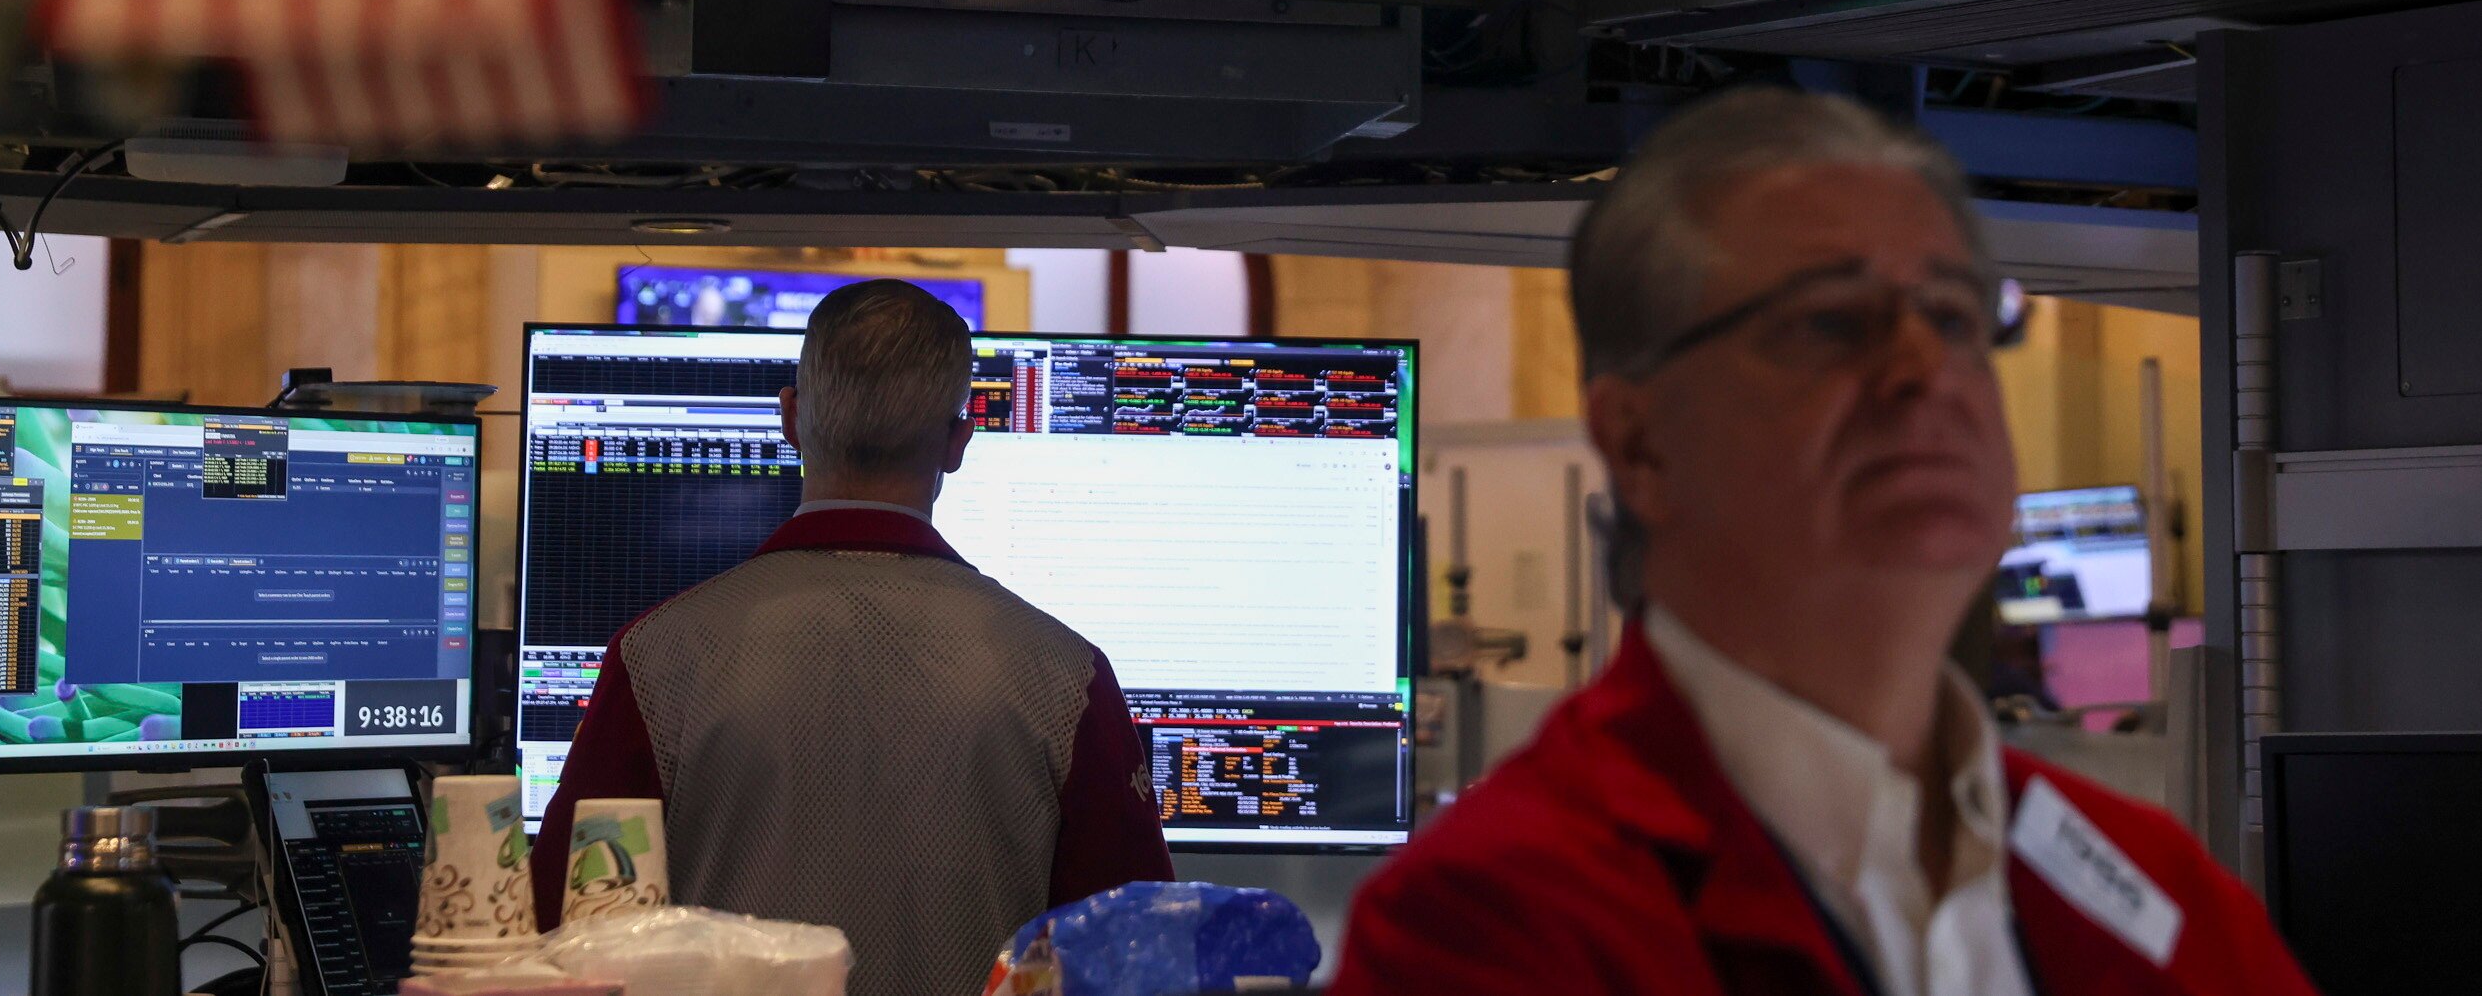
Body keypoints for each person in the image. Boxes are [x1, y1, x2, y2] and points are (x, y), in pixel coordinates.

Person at [1332, 90, 2315, 996]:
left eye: (1953, 313)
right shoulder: (1491, 921)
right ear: (1639, 443)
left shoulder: (2153, 888)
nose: (1923, 366)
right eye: (1831, 321)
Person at [533, 280, 1171, 996]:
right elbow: (1137, 957)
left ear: (791, 418)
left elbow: (561, 935)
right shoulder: (1066, 677)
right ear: (958, 442)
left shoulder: (656, 659)